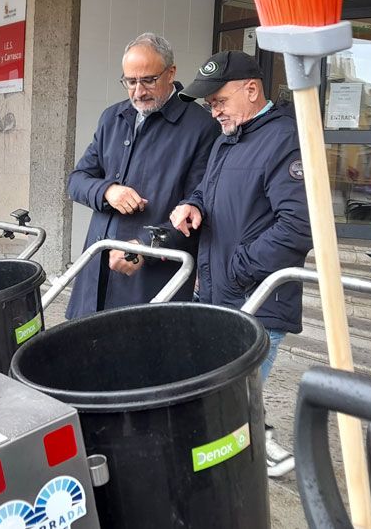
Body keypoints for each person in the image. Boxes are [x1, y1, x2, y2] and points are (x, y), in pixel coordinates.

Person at [169, 50, 312, 478]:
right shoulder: (228, 139)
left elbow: (299, 227)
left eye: (219, 101)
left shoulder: (285, 138)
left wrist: (239, 267)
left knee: (226, 396)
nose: (214, 111)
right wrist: (192, 205)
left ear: (252, 90)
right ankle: (251, 450)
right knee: (227, 392)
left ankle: (232, 473)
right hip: (218, 292)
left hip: (257, 298)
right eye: (210, 104)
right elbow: (211, 193)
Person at [66, 33, 219, 318]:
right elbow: (76, 181)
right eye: (130, 82)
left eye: (148, 80)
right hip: (95, 277)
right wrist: (108, 191)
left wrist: (147, 247)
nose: (138, 92)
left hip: (153, 282)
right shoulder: (112, 117)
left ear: (171, 72)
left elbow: (202, 208)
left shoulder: (201, 126)